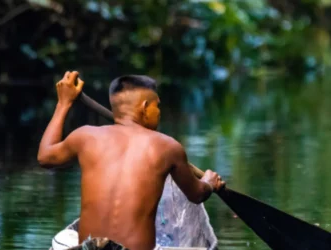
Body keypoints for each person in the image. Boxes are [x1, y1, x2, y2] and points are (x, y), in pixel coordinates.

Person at [38, 71, 225, 250]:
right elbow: (196, 194)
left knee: (65, 241)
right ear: (144, 107)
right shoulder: (168, 147)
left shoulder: (86, 136)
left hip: (89, 249)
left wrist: (63, 103)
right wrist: (209, 182)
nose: (159, 112)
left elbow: (45, 157)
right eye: (157, 105)